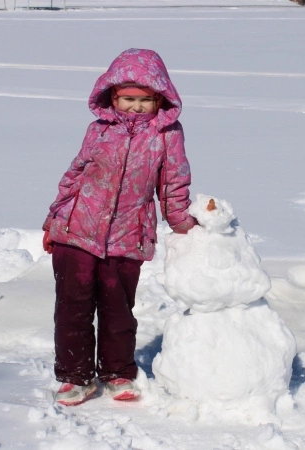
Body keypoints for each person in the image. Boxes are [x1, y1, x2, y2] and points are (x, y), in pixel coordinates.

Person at [41, 48, 196, 406]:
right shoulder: (98, 129)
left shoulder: (167, 135)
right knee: (72, 307)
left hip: (128, 236)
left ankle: (117, 372)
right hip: (77, 230)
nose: (136, 107)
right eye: (128, 99)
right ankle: (74, 376)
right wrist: (54, 219)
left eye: (145, 100)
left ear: (161, 98)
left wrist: (181, 221)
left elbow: (174, 181)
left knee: (118, 309)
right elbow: (75, 175)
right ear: (113, 96)